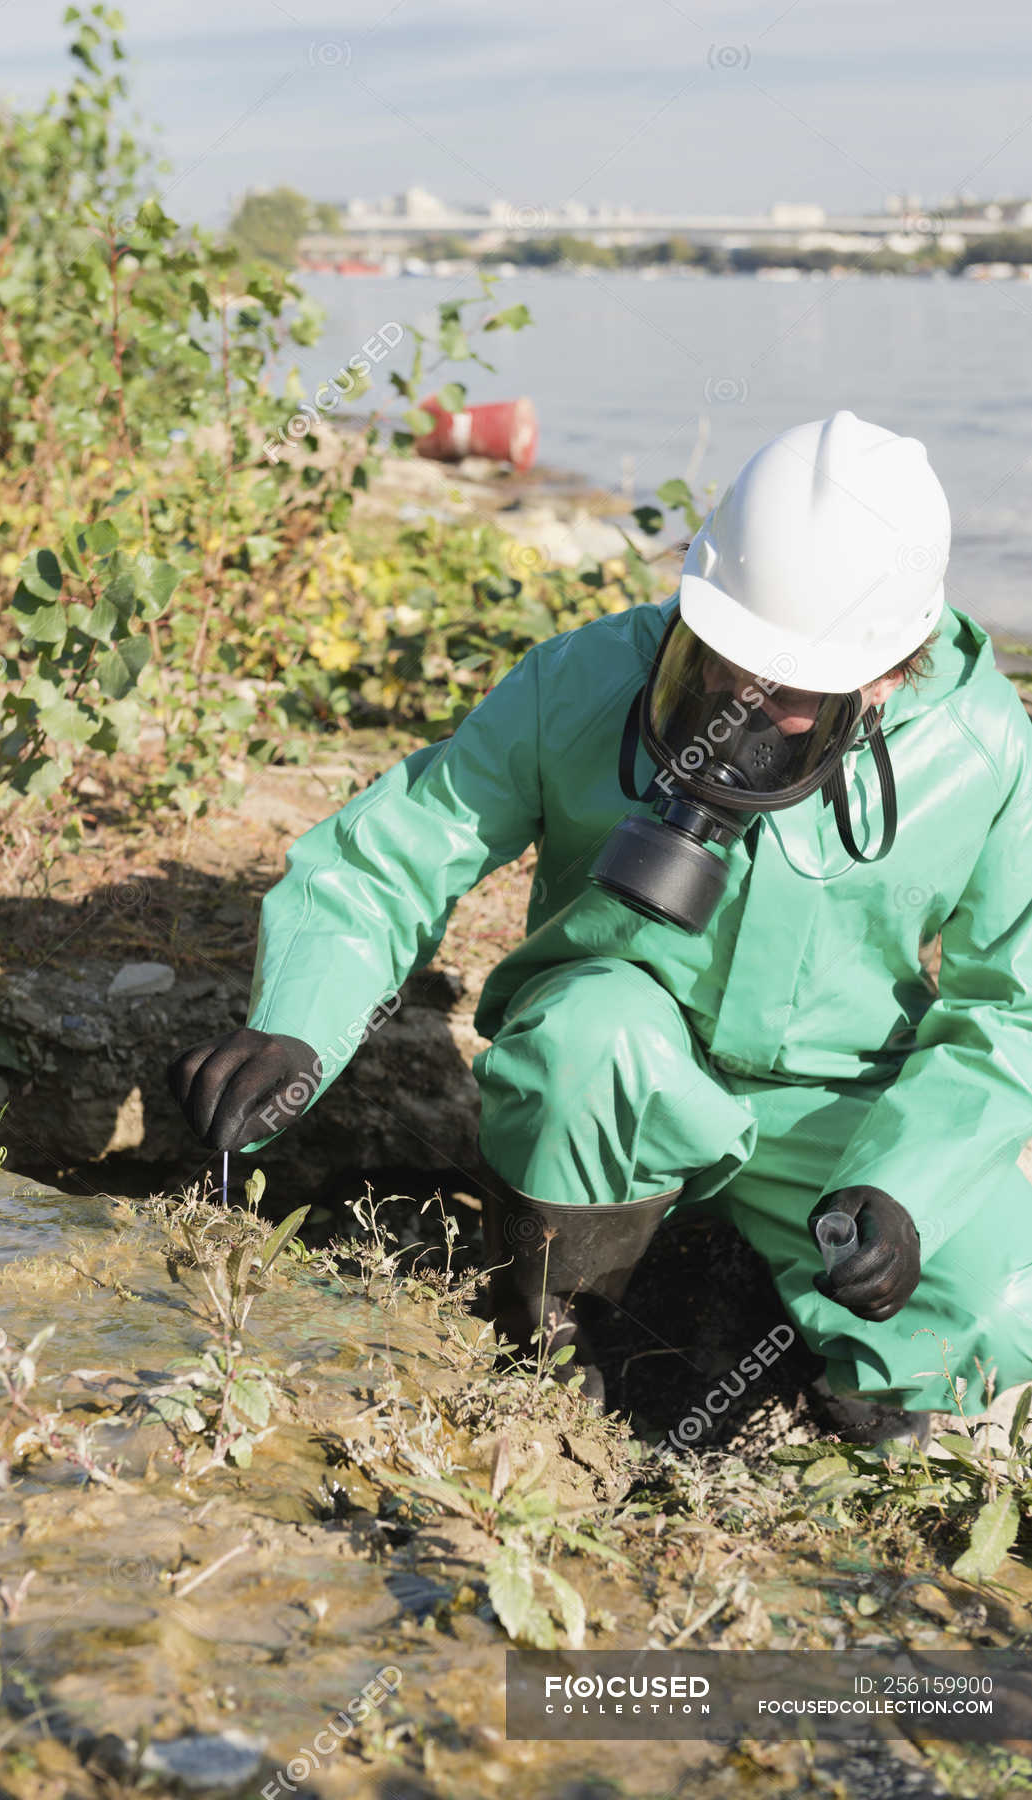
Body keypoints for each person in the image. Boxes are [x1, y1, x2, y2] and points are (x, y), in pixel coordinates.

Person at [168, 411, 1032, 1443]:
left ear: (890, 671)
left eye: (789, 688)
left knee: (996, 1292)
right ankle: (552, 1343)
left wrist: (906, 1192)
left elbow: (1006, 1009)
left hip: (840, 1111)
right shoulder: (582, 681)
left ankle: (864, 1405)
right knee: (588, 1038)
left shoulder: (983, 745)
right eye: (721, 653)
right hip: (620, 1067)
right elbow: (395, 850)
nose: (740, 696)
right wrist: (299, 1019)